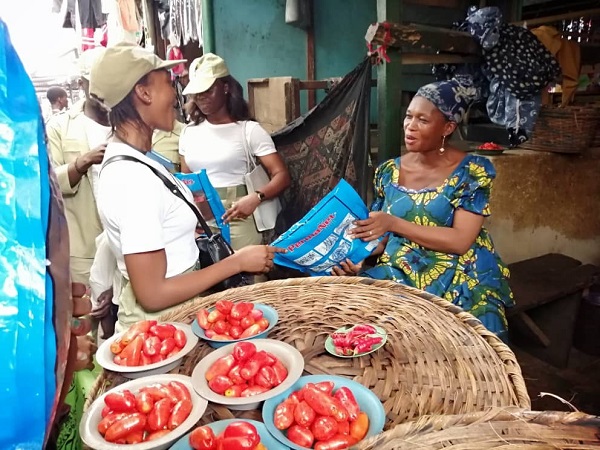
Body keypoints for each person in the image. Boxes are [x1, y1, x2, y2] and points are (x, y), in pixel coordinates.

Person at [89, 42, 283, 331]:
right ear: (143, 93)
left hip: (174, 319)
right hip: (160, 330)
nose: (176, 94)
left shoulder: (141, 161)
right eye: (168, 84)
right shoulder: (133, 179)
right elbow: (153, 293)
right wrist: (237, 263)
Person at [334, 79, 514, 339]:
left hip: (460, 272)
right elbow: (380, 234)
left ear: (448, 127)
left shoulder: (471, 172)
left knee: (475, 344)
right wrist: (359, 258)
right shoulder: (389, 171)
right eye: (408, 117)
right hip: (400, 268)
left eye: (423, 120)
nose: (410, 126)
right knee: (363, 327)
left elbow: (461, 241)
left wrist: (393, 223)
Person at [179, 53, 291, 251]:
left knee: (246, 280)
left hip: (240, 216)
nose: (201, 97)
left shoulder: (249, 131)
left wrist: (256, 198)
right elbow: (186, 179)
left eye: (208, 90)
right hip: (202, 221)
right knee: (209, 279)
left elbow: (281, 175)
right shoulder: (188, 133)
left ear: (225, 88)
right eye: (197, 92)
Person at [46, 47, 109, 285]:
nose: (103, 92)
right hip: (84, 248)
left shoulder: (128, 122)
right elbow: (49, 183)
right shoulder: (60, 127)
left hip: (126, 243)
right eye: (96, 84)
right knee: (87, 317)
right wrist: (81, 163)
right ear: (82, 83)